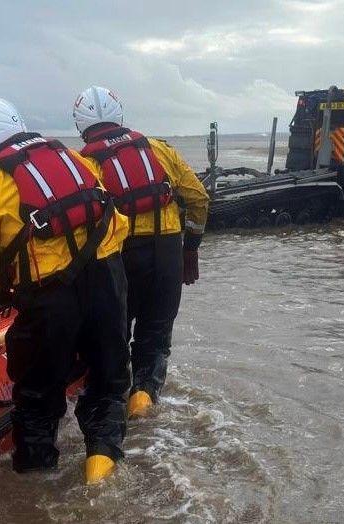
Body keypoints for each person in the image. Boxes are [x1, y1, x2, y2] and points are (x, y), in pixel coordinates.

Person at [0, 97, 130, 484]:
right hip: (109, 281)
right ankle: (101, 469)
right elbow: (115, 221)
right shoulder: (73, 159)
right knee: (109, 383)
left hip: (50, 300)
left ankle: (36, 484)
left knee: (37, 400)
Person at [73, 85, 209, 418]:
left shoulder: (83, 163)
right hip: (167, 253)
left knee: (114, 336)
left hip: (118, 259)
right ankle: (145, 401)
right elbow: (198, 199)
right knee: (156, 336)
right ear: (120, 115)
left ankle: (110, 411)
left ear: (81, 126)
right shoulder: (159, 149)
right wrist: (189, 250)